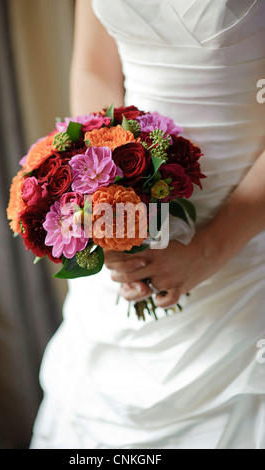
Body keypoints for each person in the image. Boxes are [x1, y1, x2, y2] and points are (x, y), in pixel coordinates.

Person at [30, 0, 265, 449]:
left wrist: (211, 248)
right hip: (133, 213)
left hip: (246, 241)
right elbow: (95, 69)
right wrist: (106, 188)